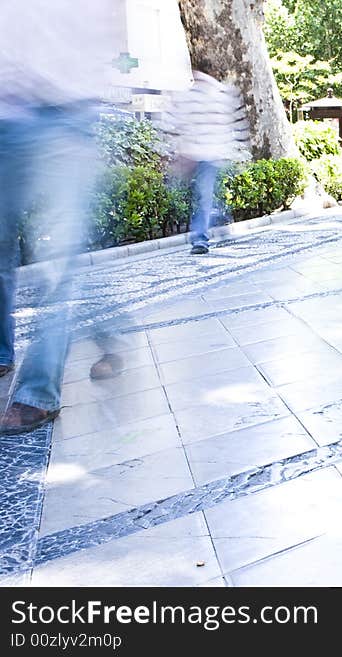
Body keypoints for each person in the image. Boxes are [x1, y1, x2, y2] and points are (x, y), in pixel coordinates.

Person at [0, 1, 123, 434]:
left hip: (64, 112)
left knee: (59, 261)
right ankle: (108, 326)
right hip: (6, 114)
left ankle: (37, 394)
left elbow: (111, 28)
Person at [159, 70, 251, 253]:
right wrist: (238, 146)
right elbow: (236, 123)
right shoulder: (221, 94)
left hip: (201, 154)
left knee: (203, 195)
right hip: (207, 153)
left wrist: (173, 147)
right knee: (204, 195)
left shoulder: (194, 94)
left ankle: (201, 237)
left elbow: (172, 120)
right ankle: (218, 217)